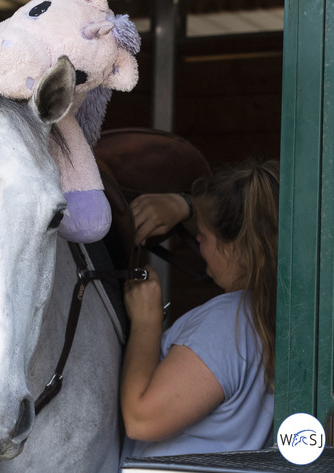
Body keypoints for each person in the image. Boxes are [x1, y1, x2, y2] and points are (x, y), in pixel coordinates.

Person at [120, 159, 279, 458]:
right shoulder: (273, 313)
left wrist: (146, 323)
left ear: (234, 247)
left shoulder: (226, 325)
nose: (197, 240)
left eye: (203, 236)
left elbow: (142, 419)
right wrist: (186, 207)